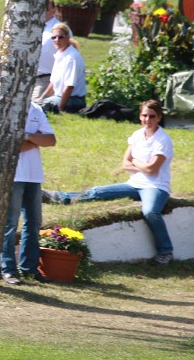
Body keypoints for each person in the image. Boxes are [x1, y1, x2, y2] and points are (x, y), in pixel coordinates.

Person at [44, 100, 174, 265]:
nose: (147, 119)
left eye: (151, 116)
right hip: (134, 184)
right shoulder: (137, 135)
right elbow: (125, 163)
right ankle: (60, 197)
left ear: (159, 117)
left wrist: (136, 163)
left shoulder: (163, 139)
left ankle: (165, 251)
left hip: (156, 187)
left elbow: (152, 170)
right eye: (144, 115)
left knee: (150, 212)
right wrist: (138, 165)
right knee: (98, 192)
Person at [0, 102, 56, 285]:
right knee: (10, 223)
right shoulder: (7, 105)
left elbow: (51, 140)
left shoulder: (36, 109)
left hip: (33, 175)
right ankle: (8, 269)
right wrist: (36, 139)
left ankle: (29, 268)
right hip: (13, 175)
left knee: (33, 223)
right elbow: (9, 146)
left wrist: (26, 136)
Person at [35, 22, 86, 114]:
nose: (57, 40)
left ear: (67, 37)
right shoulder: (60, 54)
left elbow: (69, 87)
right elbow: (53, 83)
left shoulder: (71, 58)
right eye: (54, 37)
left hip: (74, 100)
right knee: (35, 104)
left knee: (40, 108)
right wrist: (41, 98)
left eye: (60, 37)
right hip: (60, 97)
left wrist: (60, 108)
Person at [31, 0, 63, 101]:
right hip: (27, 76)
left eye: (46, 9)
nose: (42, 12)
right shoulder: (32, 25)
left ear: (54, 10)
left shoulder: (59, 28)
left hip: (45, 78)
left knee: (35, 106)